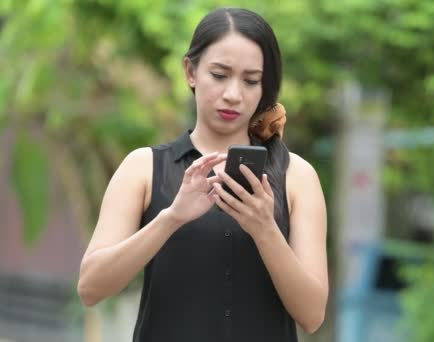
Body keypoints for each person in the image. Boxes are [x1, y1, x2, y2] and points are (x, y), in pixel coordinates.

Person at [77, 7, 328, 342]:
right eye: (220, 75)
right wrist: (171, 218)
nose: (233, 94)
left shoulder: (296, 176)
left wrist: (265, 229)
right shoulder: (143, 168)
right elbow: (91, 288)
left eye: (251, 81)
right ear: (191, 71)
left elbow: (312, 316)